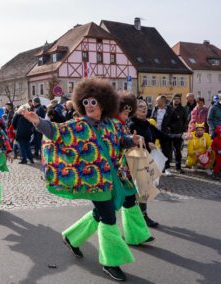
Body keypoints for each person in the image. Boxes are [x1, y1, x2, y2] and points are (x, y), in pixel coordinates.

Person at [22, 78, 142, 281]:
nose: (88, 106)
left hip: (112, 178)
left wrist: (133, 140)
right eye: (85, 102)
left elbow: (122, 141)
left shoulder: (113, 124)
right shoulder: (78, 125)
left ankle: (71, 236)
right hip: (94, 181)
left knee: (101, 212)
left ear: (104, 104)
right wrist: (37, 121)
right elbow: (55, 132)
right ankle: (111, 262)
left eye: (93, 102)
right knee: (108, 218)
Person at [129, 99, 187, 227]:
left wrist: (180, 136)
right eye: (140, 106)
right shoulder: (132, 124)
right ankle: (138, 217)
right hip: (135, 160)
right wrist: (146, 145)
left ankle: (142, 216)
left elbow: (164, 136)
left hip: (147, 159)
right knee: (139, 190)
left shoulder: (147, 124)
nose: (144, 108)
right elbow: (129, 144)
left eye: (145, 106)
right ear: (134, 109)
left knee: (144, 190)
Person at [115, 94, 155, 241]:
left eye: (128, 113)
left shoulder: (122, 124)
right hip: (111, 171)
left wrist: (132, 141)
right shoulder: (110, 124)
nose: (126, 116)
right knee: (104, 211)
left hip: (123, 170)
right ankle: (72, 236)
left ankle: (136, 235)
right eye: (124, 113)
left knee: (130, 200)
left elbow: (123, 142)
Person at [151, 95, 182, 175]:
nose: (156, 102)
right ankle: (155, 166)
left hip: (165, 133)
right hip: (154, 132)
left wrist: (170, 128)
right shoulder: (155, 109)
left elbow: (177, 121)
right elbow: (151, 119)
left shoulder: (170, 110)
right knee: (153, 149)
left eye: (158, 101)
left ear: (163, 102)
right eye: (156, 101)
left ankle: (167, 168)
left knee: (166, 151)